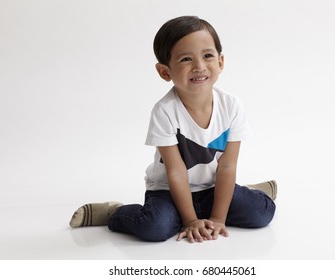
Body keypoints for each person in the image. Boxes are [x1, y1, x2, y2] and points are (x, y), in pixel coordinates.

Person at [69, 16, 276, 243]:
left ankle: (249, 193)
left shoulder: (231, 105)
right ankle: (115, 212)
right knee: (154, 227)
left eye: (207, 55)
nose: (199, 66)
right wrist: (189, 221)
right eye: (186, 59)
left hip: (213, 188)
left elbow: (227, 165)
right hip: (169, 191)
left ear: (220, 62)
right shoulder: (165, 111)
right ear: (165, 72)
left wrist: (218, 218)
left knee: (261, 213)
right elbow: (176, 171)